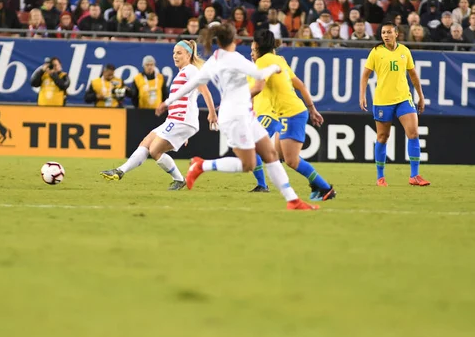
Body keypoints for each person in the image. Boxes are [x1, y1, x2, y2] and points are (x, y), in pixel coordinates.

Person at [155, 24, 318, 210]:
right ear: (233, 40)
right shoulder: (234, 58)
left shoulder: (214, 60)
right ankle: (201, 165)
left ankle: (293, 201)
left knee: (271, 154)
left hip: (244, 112)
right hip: (235, 117)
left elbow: (193, 83)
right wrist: (273, 68)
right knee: (248, 163)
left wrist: (168, 102)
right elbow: (259, 76)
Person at [100, 40, 217, 191]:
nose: (175, 56)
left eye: (179, 53)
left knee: (155, 150)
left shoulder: (191, 70)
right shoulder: (183, 72)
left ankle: (179, 179)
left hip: (181, 119)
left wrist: (212, 113)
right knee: (146, 142)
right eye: (174, 53)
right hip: (177, 119)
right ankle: (120, 171)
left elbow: (205, 91)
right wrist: (183, 133)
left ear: (188, 55)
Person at [249, 29, 336, 201]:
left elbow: (258, 87)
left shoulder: (263, 61)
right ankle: (311, 187)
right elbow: (299, 84)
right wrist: (311, 108)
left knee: (292, 160)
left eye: (252, 47)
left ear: (258, 46)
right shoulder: (278, 60)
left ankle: (325, 188)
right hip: (291, 111)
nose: (251, 51)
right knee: (277, 155)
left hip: (291, 113)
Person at [359, 22, 430, 187]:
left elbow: (413, 75)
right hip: (383, 101)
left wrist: (421, 96)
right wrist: (362, 95)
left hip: (404, 98)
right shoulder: (376, 52)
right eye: (383, 32)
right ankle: (380, 177)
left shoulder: (404, 51)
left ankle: (415, 175)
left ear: (396, 34)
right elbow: (365, 76)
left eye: (389, 32)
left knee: (413, 133)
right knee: (383, 137)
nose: (385, 35)